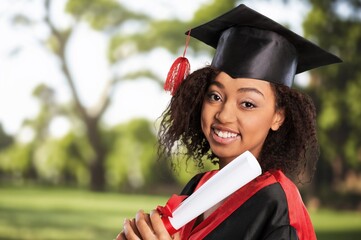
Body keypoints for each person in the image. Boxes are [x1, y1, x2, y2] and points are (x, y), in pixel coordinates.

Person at [116, 4, 341, 240]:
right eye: (215, 96)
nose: (223, 115)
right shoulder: (198, 186)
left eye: (248, 104)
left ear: (278, 117)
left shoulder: (276, 204)